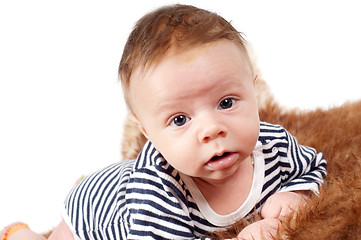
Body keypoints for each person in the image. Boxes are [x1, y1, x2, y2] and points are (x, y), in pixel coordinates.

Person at [1, 4, 327, 240]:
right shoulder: (159, 188)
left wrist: (295, 195)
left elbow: (314, 167)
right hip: (99, 207)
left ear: (253, 91)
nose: (212, 129)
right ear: (148, 132)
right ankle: (19, 233)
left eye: (226, 103)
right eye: (180, 119)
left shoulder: (274, 145)